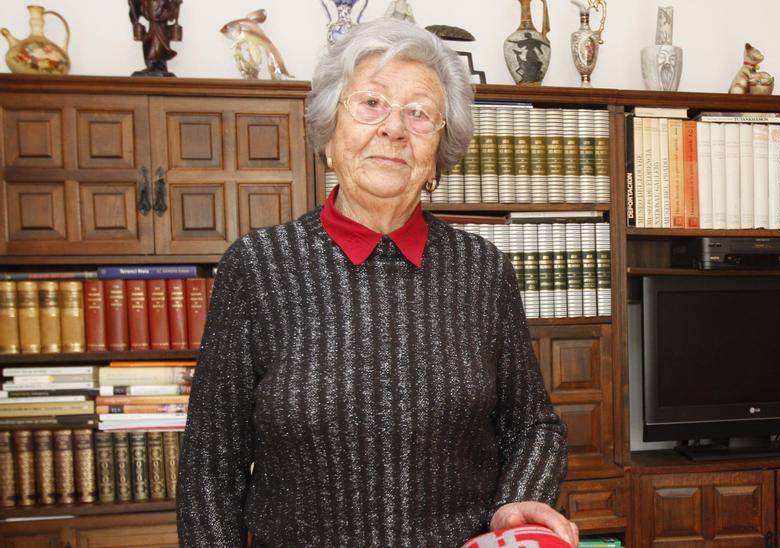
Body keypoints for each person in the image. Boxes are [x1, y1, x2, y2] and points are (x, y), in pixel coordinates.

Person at [177, 18, 574, 546]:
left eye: (419, 113)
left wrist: (517, 502)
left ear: (437, 153)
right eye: (371, 103)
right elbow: (210, 468)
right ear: (330, 133)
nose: (393, 129)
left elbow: (533, 427)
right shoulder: (257, 267)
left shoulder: (483, 271)